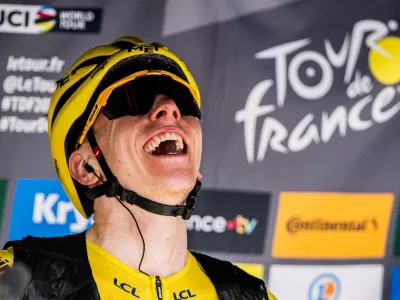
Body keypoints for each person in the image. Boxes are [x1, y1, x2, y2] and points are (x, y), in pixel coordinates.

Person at [0, 36, 277, 300]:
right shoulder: (20, 280)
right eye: (132, 98)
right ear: (86, 167)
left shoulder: (253, 295)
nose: (169, 107)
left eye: (182, 99)